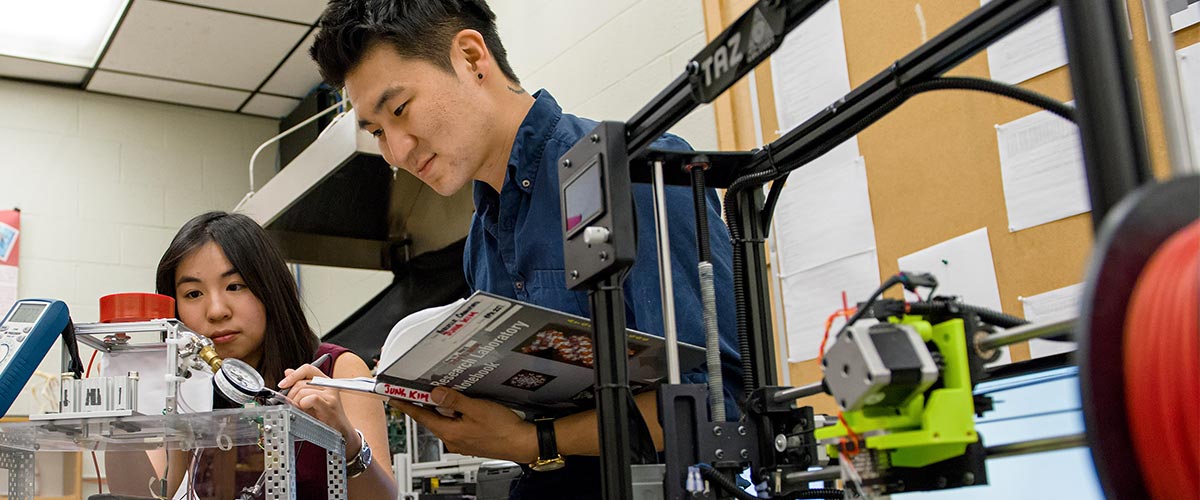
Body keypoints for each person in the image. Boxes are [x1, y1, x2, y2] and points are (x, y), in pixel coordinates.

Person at [309, 1, 743, 498]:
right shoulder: (482, 242)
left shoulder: (636, 173)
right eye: (378, 132)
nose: (397, 152)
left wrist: (531, 440)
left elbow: (719, 400)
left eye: (401, 110)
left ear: (472, 58)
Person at [154, 211, 397, 500]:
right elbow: (146, 490)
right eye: (193, 294)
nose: (216, 310)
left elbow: (383, 498)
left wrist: (347, 440)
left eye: (235, 286)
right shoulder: (185, 390)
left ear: (269, 288)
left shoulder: (338, 372)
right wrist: (123, 403)